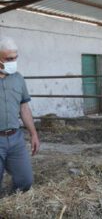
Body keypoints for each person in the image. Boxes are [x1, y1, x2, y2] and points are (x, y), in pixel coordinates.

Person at [0, 36, 40, 193]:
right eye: (9, 59)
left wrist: (34, 134)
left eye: (15, 58)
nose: (13, 62)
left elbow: (24, 108)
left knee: (25, 181)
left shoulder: (18, 78)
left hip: (15, 139)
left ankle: (12, 209)